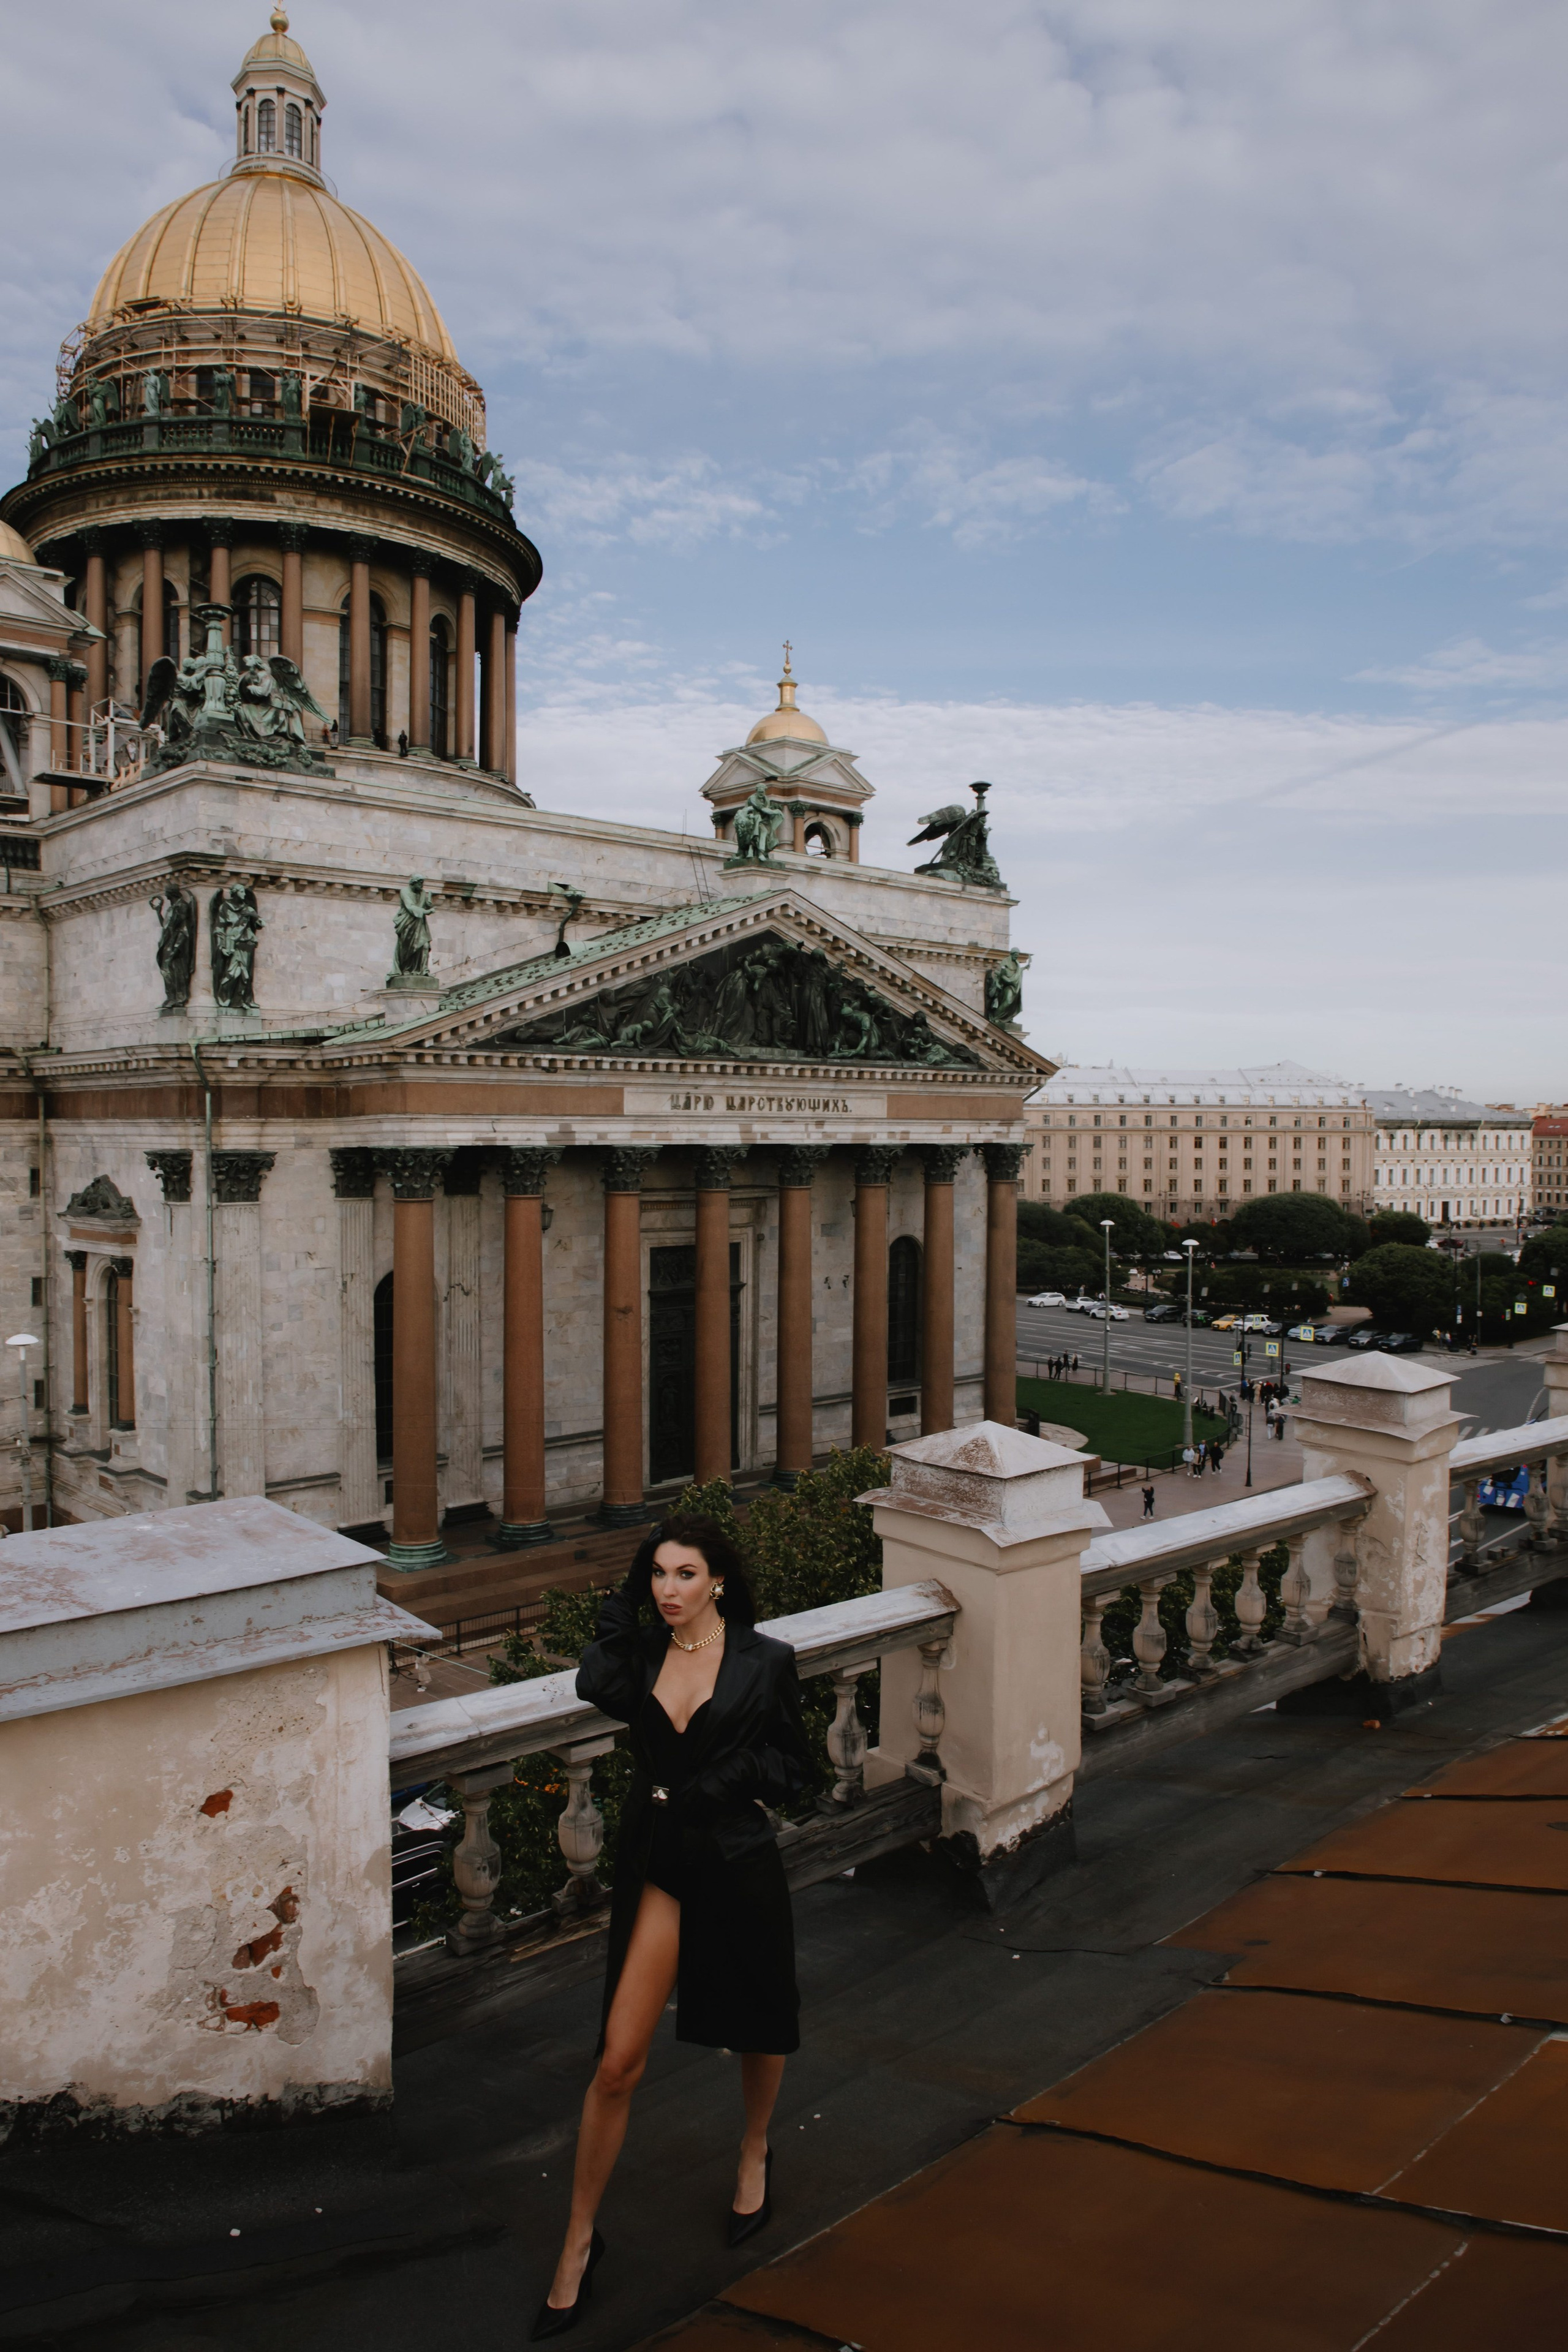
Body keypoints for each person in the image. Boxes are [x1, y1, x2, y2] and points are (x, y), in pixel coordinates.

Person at [533, 1515, 813, 2338]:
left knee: (760, 2025)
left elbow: (796, 1767)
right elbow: (594, 1683)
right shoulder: (644, 1653)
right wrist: (622, 1612)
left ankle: (755, 2149)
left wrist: (731, 1776)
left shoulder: (768, 1663)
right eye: (657, 1574)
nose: (668, 1589)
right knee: (617, 2062)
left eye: (685, 1574)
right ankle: (581, 2241)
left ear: (717, 1580)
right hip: (659, 1861)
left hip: (735, 1857)